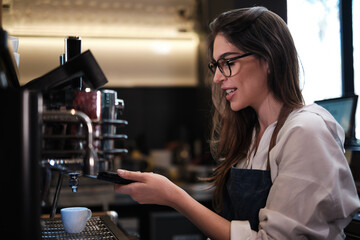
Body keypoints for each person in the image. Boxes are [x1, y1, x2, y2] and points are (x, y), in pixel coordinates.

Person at [114, 6, 360, 239]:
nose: (218, 78)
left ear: (268, 59)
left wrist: (175, 197)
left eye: (228, 62)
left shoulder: (306, 131)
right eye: (216, 66)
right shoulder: (253, 134)